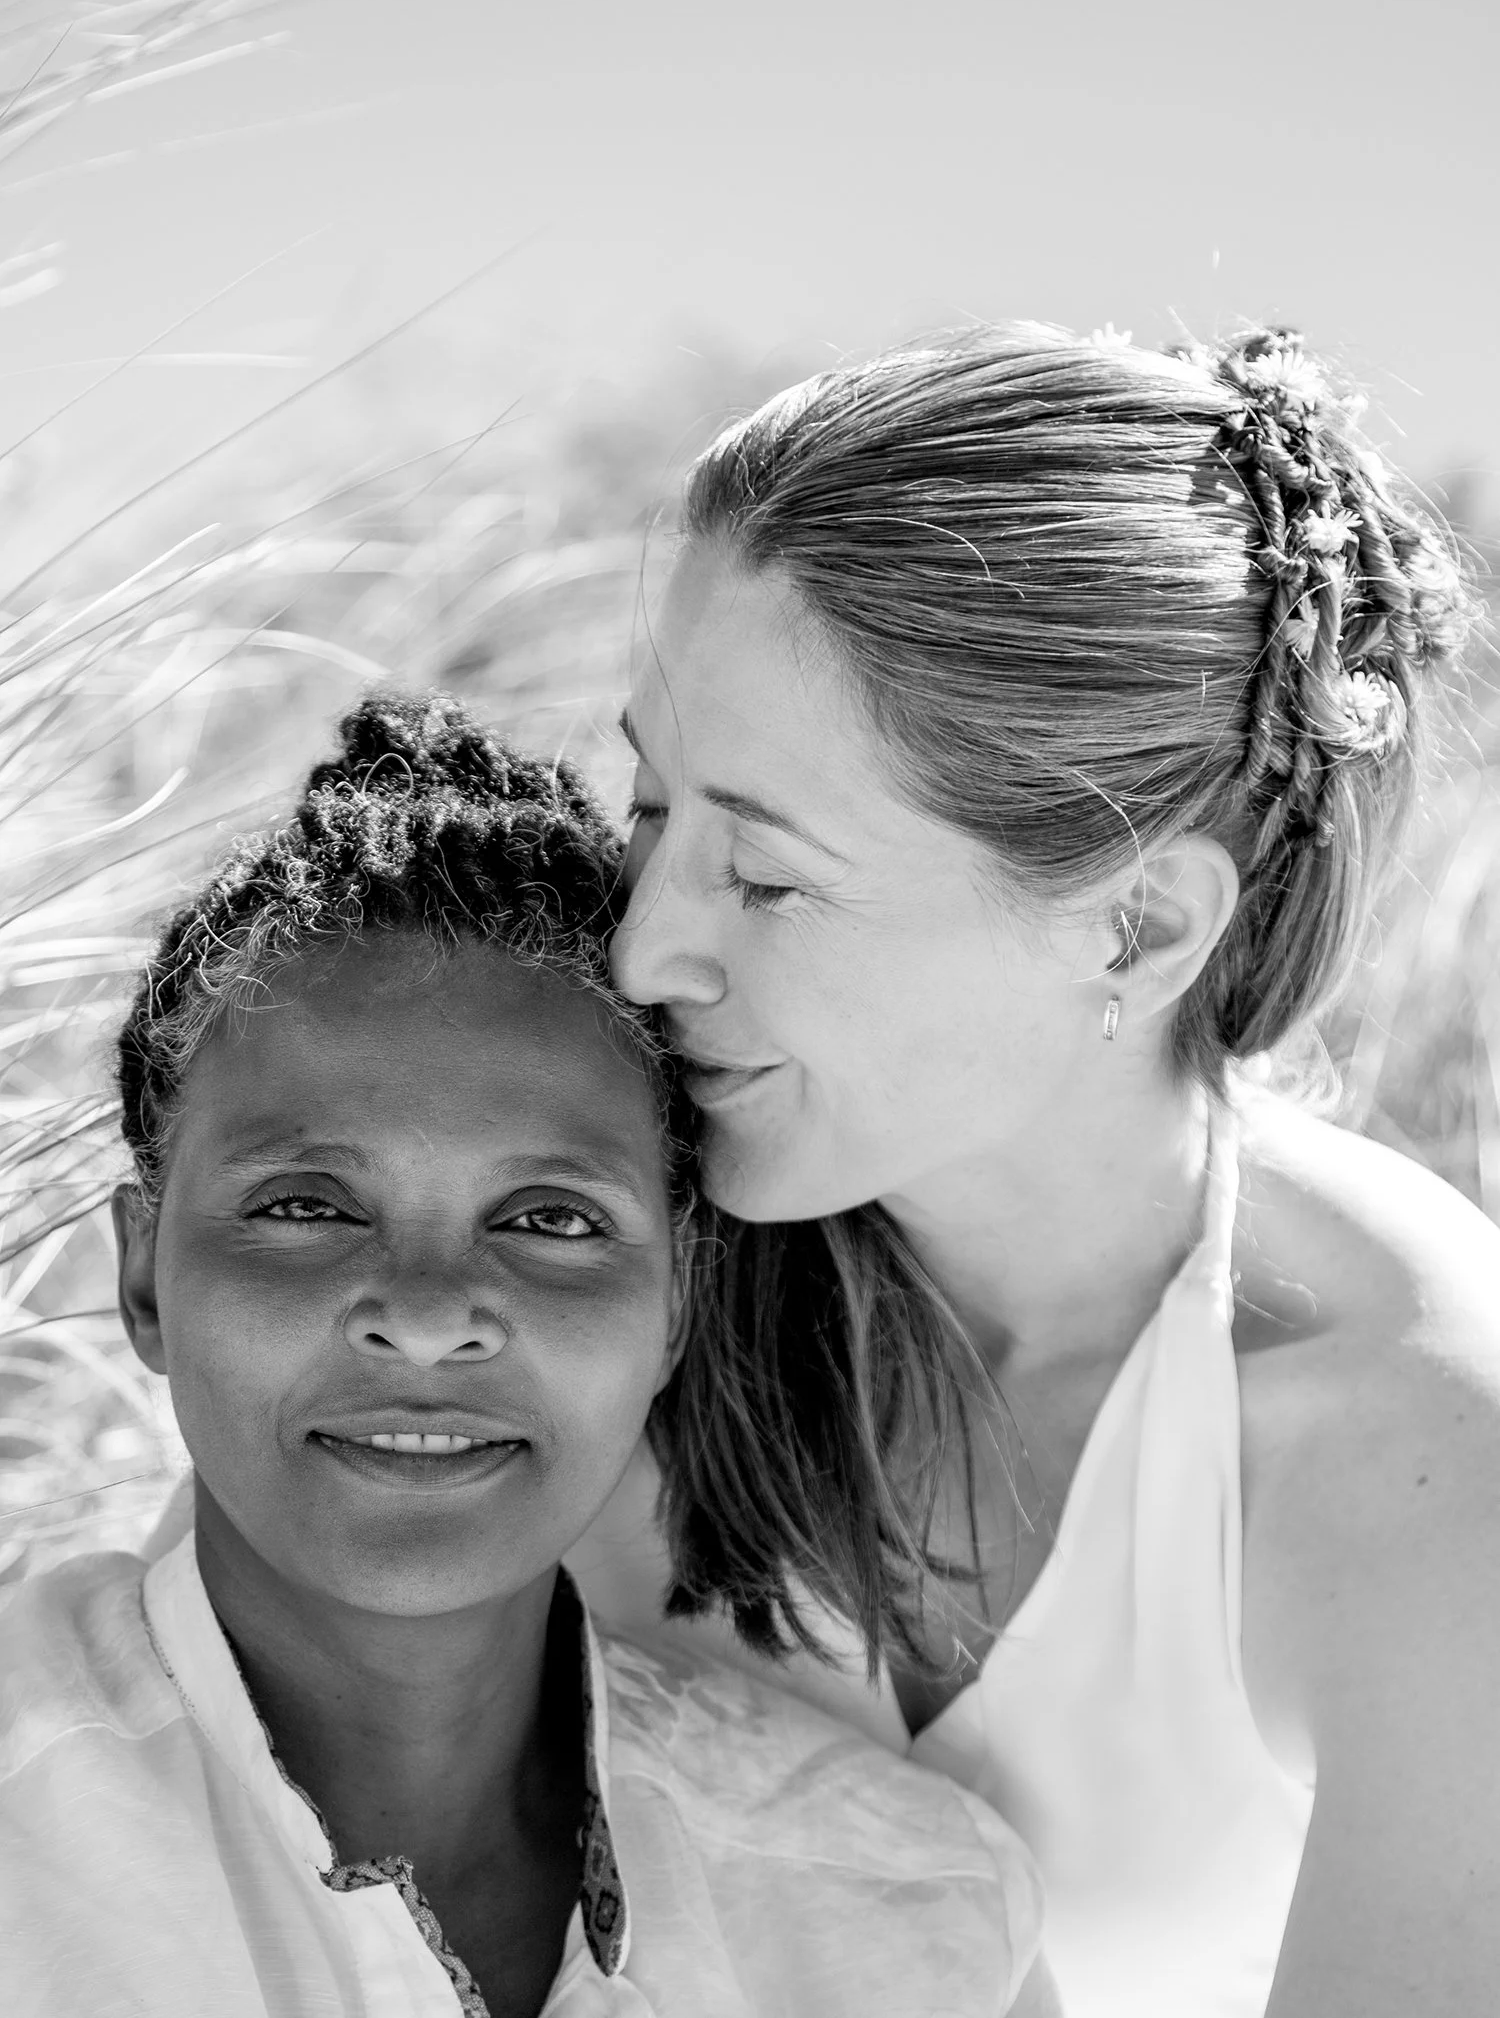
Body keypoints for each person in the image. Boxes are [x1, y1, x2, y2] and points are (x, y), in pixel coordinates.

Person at [599, 324, 1500, 2018]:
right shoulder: (577, 1246)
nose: (646, 953)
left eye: (768, 879)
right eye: (650, 812)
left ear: (1139, 923)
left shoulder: (1432, 1453)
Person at [0, 694, 1055, 2018]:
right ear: (145, 1270)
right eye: (309, 1207)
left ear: (675, 1305)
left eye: (549, 1222)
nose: (430, 1312)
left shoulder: (915, 1916)